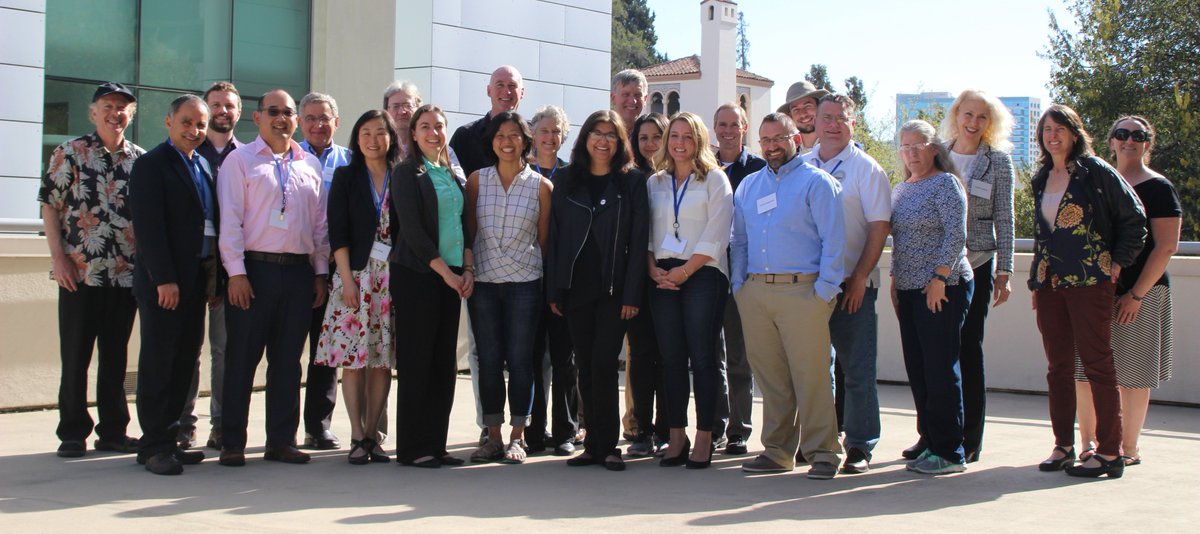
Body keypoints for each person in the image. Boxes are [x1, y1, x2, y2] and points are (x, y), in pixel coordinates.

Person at [1029, 104, 1145, 479]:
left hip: (1089, 282)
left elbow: (1135, 218)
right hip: (1050, 285)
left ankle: (1110, 453)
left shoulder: (1094, 170)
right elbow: (1043, 235)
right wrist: (1037, 280)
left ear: (1075, 133)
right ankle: (1063, 446)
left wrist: (1115, 264)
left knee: (1097, 364)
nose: (1053, 135)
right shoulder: (1042, 176)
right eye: (1047, 129)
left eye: (1060, 128)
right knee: (1058, 368)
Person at [216, 89, 330, 467]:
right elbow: (230, 222)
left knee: (287, 362)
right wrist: (235, 273)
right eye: (274, 112)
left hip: (297, 273)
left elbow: (319, 227)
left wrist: (318, 273)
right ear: (258, 117)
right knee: (242, 360)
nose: (282, 119)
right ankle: (232, 441)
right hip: (254, 271)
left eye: (288, 113)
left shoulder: (308, 164)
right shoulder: (240, 161)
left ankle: (281, 440)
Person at [732, 113, 845, 479]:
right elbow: (740, 240)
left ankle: (824, 452)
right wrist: (740, 288)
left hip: (804, 291)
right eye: (765, 139)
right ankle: (779, 451)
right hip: (756, 292)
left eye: (779, 137)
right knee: (772, 377)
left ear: (796, 139)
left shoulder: (818, 183)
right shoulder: (749, 186)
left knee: (810, 376)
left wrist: (824, 291)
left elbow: (834, 240)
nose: (772, 145)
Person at [907, 89, 1015, 464]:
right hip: (932, 267)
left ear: (991, 123)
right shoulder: (937, 151)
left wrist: (1005, 271)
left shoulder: (997, 162)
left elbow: (1006, 218)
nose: (973, 122)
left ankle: (968, 438)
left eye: (982, 117)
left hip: (977, 263)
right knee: (932, 356)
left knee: (967, 350)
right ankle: (931, 435)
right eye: (967, 114)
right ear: (957, 115)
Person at [40, 82, 144, 458]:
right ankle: (72, 432)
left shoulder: (139, 159)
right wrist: (58, 258)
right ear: (93, 111)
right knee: (76, 355)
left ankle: (113, 431)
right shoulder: (70, 153)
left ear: (130, 115)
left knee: (116, 356)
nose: (116, 113)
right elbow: (50, 205)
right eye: (109, 106)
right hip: (79, 273)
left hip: (124, 274)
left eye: (123, 108)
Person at [546, 110, 649, 472]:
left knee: (604, 364)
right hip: (575, 288)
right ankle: (592, 444)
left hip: (614, 290)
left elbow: (639, 243)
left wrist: (632, 294)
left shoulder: (632, 183)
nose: (602, 140)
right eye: (596, 133)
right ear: (585, 138)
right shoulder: (566, 179)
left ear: (620, 142)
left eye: (610, 134)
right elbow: (555, 237)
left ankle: (608, 447)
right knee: (584, 367)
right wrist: (555, 289)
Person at [1074, 116, 1179, 466]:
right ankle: (1088, 444)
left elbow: (1166, 247)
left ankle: (1128, 449)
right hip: (1095, 292)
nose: (1129, 140)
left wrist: (1136, 295)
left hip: (1141, 294)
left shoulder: (1158, 188)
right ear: (1111, 142)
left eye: (1138, 135)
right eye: (1122, 134)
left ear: (1148, 143)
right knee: (1085, 372)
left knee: (1133, 376)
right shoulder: (1098, 181)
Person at [128, 95, 215, 474]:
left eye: (200, 124)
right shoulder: (151, 165)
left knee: (184, 362)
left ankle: (171, 439)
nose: (194, 131)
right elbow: (148, 229)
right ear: (168, 122)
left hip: (194, 280)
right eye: (186, 122)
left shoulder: (203, 166)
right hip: (165, 283)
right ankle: (154, 446)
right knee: (159, 363)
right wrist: (164, 278)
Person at [806, 95, 892, 474]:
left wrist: (859, 279)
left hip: (850, 285)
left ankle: (859, 444)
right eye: (827, 117)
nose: (833, 125)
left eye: (842, 118)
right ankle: (820, 441)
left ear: (853, 124)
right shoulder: (802, 165)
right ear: (816, 122)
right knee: (814, 370)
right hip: (807, 288)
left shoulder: (866, 169)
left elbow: (879, 227)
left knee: (857, 369)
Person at [464, 112, 554, 464]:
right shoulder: (476, 181)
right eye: (500, 134)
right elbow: (470, 232)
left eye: (514, 134)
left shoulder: (542, 187)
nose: (506, 140)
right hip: (484, 284)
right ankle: (493, 436)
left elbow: (544, 240)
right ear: (491, 141)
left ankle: (518, 436)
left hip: (524, 285)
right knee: (488, 361)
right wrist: (470, 270)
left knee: (520, 361)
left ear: (525, 141)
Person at [646, 112, 734, 469]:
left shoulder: (715, 180)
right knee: (670, 359)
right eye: (674, 136)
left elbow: (717, 232)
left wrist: (685, 271)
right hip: (661, 275)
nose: (679, 143)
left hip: (702, 273)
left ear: (698, 140)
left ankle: (705, 436)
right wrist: (652, 268)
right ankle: (676, 435)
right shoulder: (655, 182)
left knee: (703, 358)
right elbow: (646, 230)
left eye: (687, 136)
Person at [315, 110, 402, 465]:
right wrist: (347, 279)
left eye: (380, 132)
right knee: (353, 361)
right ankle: (355, 434)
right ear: (356, 138)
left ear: (391, 138)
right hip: (355, 278)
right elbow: (338, 231)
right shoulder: (347, 176)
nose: (373, 139)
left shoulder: (402, 176)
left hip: (392, 279)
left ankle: (373, 435)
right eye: (365, 132)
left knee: (382, 362)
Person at [390, 104, 473, 468]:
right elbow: (413, 233)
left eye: (439, 126)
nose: (433, 133)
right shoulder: (407, 172)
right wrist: (448, 273)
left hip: (452, 277)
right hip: (420, 277)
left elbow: (464, 223)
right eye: (425, 127)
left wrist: (466, 268)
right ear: (413, 133)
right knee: (417, 361)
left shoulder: (451, 172)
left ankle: (436, 444)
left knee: (443, 363)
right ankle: (412, 448)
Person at [889, 119, 972, 475]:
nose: (911, 153)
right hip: (908, 289)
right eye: (905, 146)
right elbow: (899, 241)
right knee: (919, 369)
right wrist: (895, 280)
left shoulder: (946, 184)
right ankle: (929, 439)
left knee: (940, 369)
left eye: (917, 146)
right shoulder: (900, 189)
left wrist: (939, 277)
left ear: (933, 148)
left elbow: (956, 234)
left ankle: (950, 451)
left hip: (943, 288)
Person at [186, 81, 244, 451]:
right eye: (216, 105)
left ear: (239, 113)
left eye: (229, 106)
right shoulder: (190, 150)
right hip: (192, 263)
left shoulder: (249, 154)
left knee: (224, 349)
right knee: (187, 348)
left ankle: (221, 425)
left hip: (230, 266)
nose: (222, 111)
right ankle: (182, 423)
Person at [297, 91, 352, 451]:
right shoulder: (290, 156)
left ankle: (318, 426)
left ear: (337, 121)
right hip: (293, 264)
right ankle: (281, 426)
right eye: (311, 118)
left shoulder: (350, 161)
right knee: (286, 352)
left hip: (337, 265)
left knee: (325, 350)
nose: (318, 124)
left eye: (325, 117)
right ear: (301, 122)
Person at [710, 103, 766, 456]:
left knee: (740, 357)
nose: (728, 130)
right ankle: (714, 426)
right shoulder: (705, 166)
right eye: (722, 124)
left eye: (734, 124)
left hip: (743, 273)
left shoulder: (759, 169)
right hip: (707, 271)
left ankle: (739, 430)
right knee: (709, 354)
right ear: (714, 128)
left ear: (745, 128)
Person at [526, 105, 581, 456]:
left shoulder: (573, 176)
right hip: (527, 277)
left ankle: (565, 430)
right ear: (532, 133)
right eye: (543, 130)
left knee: (564, 358)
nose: (549, 137)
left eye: (556, 131)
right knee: (532, 358)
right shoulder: (520, 171)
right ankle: (533, 431)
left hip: (563, 279)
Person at [625, 112, 670, 458]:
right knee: (641, 358)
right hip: (640, 277)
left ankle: (669, 429)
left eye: (657, 136)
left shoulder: (679, 177)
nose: (650, 144)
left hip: (673, 278)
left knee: (669, 357)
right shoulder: (630, 179)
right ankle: (641, 431)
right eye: (643, 138)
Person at [611, 69, 650, 442]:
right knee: (597, 351)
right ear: (613, 96)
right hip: (607, 266)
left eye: (637, 94)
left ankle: (636, 425)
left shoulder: (658, 138)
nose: (631, 100)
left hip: (648, 264)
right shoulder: (603, 137)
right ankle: (591, 423)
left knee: (639, 352)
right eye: (625, 93)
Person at [451, 65, 525, 177]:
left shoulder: (532, 136)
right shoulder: (465, 136)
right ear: (489, 90)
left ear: (522, 93)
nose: (506, 91)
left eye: (512, 85)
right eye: (500, 85)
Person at [777, 81, 829, 153]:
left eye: (807, 106)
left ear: (819, 107)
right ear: (790, 116)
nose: (802, 114)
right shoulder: (788, 155)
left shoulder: (837, 146)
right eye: (796, 109)